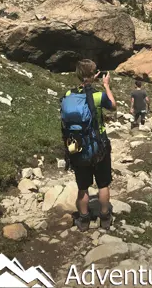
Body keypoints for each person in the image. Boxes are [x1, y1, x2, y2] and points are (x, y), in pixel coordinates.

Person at [61, 59, 116, 232]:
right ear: (95, 75)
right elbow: (113, 106)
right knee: (103, 185)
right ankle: (105, 217)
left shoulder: (68, 96)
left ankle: (83, 220)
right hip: (99, 148)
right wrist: (106, 85)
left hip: (77, 148)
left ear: (78, 75)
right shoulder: (97, 96)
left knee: (83, 187)